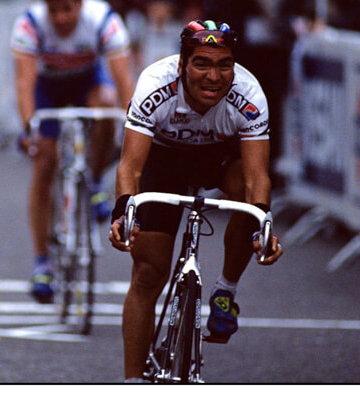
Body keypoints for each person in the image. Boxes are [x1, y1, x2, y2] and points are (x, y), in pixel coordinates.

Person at [108, 20, 283, 382]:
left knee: (247, 195)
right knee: (147, 274)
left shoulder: (249, 94)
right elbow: (130, 167)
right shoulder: (155, 84)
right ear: (182, 64)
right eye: (202, 63)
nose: (214, 76)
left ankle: (225, 292)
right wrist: (123, 213)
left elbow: (257, 177)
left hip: (220, 158)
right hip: (162, 159)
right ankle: (131, 385)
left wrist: (264, 227)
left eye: (224, 65)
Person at [11, 0, 134, 303]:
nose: (61, 17)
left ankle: (94, 181)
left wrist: (134, 123)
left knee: (106, 103)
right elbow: (25, 82)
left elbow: (123, 81)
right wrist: (29, 128)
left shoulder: (103, 19)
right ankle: (41, 264)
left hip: (87, 85)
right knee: (45, 161)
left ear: (81, 3)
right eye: (53, 9)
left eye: (68, 8)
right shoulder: (29, 23)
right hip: (48, 89)